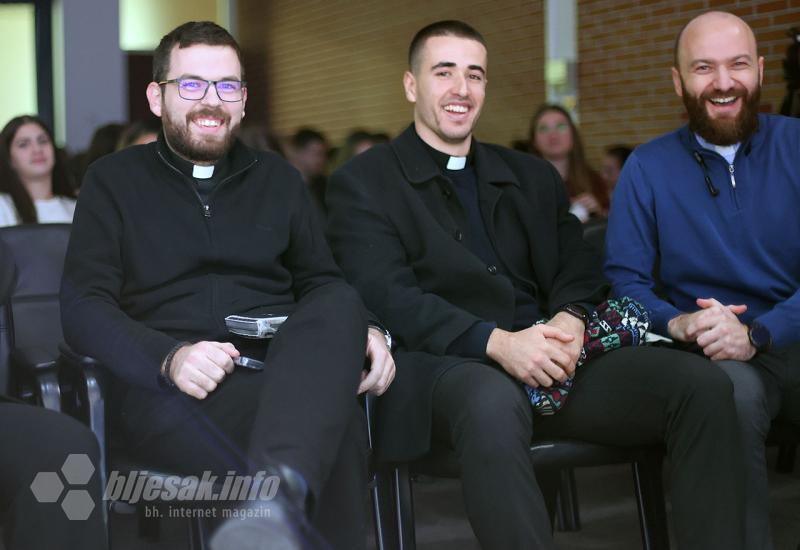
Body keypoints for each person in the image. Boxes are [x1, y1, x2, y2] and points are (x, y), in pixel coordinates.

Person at [326, 19, 746, 550]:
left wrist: (569, 318)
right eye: (444, 72)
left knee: (701, 385)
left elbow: (579, 264)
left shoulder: (530, 175)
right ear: (412, 85)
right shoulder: (363, 183)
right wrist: (498, 343)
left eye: (475, 74)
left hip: (551, 361)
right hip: (445, 368)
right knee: (490, 400)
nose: (462, 89)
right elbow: (388, 295)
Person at [60, 21, 394, 550]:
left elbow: (323, 282)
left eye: (227, 86)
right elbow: (82, 307)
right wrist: (169, 358)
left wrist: (369, 330)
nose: (210, 102)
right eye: (191, 85)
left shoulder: (279, 179)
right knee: (342, 428)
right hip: (174, 395)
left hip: (283, 369)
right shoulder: (112, 181)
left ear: (243, 100)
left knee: (341, 301)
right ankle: (279, 496)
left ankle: (275, 500)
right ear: (157, 96)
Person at [605, 11, 800, 550]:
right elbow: (625, 283)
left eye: (738, 65)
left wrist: (761, 332)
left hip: (795, 333)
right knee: (722, 402)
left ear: (760, 70)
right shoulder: (646, 168)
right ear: (677, 80)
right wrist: (682, 322)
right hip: (713, 353)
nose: (722, 83)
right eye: (703, 68)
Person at [529, 104, 608, 221]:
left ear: (573, 135)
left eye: (561, 127)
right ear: (534, 141)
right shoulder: (523, 183)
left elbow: (612, 229)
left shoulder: (594, 180)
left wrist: (598, 212)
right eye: (544, 129)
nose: (553, 135)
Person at [0, 116, 76, 227]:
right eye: (24, 144)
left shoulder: (77, 207)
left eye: (43, 141)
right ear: (9, 159)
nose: (37, 149)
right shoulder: (3, 206)